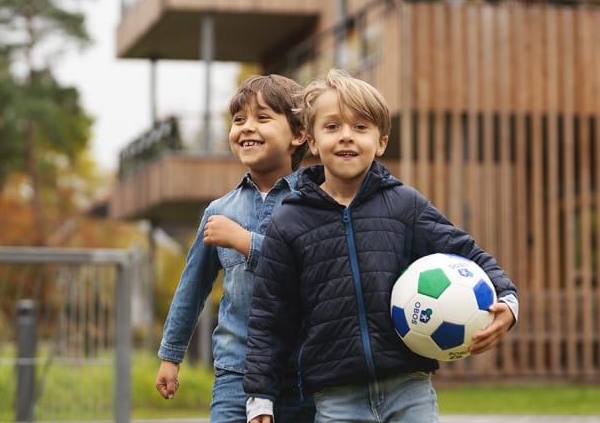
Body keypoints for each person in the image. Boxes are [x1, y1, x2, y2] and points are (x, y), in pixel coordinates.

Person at [243, 69, 519, 423]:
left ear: (381, 141)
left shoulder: (404, 204)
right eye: (332, 127)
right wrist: (260, 400)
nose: (346, 137)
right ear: (311, 141)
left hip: (409, 387)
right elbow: (270, 315)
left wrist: (508, 301)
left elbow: (467, 253)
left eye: (360, 127)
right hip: (336, 397)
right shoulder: (290, 220)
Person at [155, 74, 316, 422]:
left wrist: (246, 243)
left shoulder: (315, 203)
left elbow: (315, 267)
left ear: (299, 134)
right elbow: (192, 288)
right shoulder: (219, 211)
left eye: (262, 118)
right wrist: (171, 355)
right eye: (238, 120)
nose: (246, 128)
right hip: (235, 373)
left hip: (303, 373)